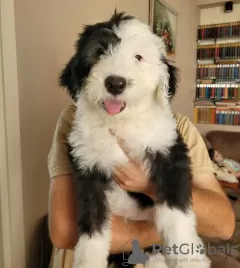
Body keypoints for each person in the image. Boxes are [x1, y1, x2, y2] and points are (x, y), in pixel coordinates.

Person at [48, 105, 235, 268]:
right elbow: (64, 232)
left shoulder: (180, 126)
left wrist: (151, 186)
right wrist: (174, 231)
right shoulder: (76, 119)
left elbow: (223, 225)